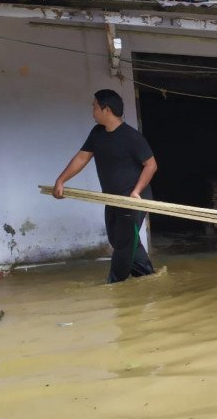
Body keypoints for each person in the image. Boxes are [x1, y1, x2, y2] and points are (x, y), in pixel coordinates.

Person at [53, 89, 158, 283]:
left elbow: (151, 165)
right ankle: (148, 277)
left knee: (123, 244)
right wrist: (61, 180)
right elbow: (82, 157)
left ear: (106, 110)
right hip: (111, 198)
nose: (92, 111)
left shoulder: (131, 137)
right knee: (118, 239)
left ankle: (114, 285)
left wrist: (135, 191)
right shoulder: (97, 133)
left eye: (94, 107)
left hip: (133, 199)